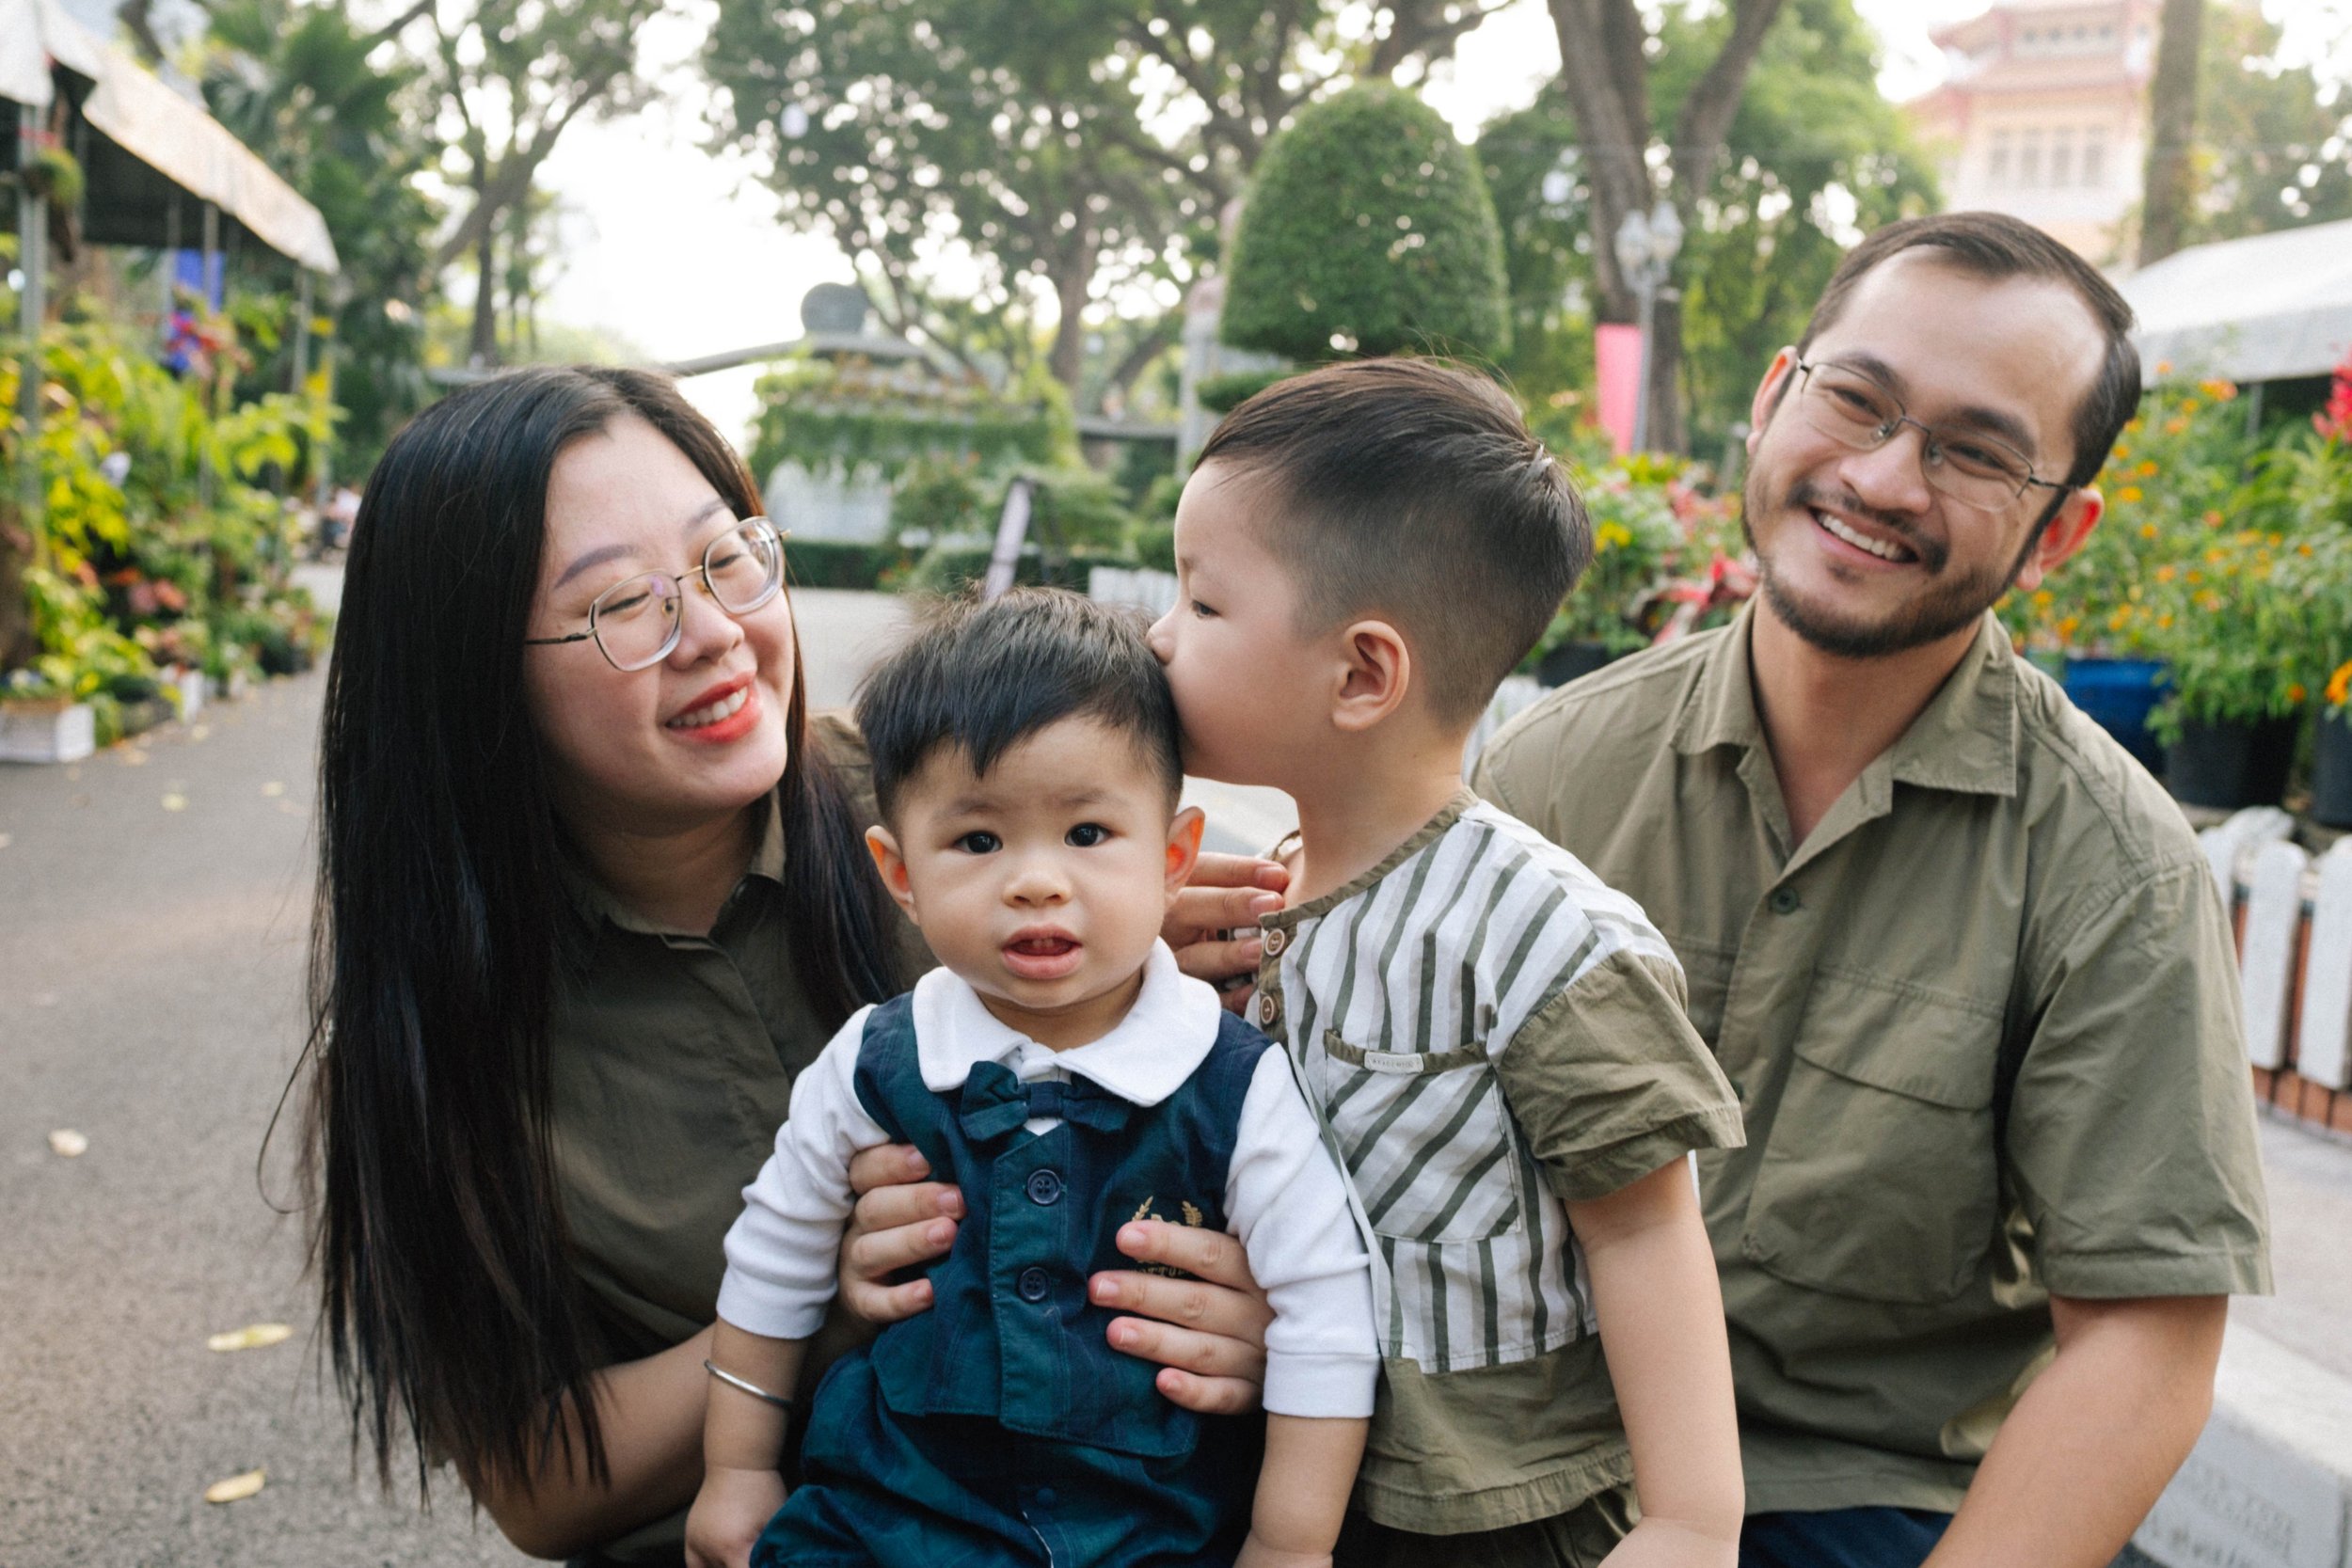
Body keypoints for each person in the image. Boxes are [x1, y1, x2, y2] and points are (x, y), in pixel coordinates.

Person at [304, 367, 1285, 1566]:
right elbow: (541, 1484)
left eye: (726, 561)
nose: (715, 634)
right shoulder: (445, 1026)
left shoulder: (974, 800)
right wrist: (826, 1288)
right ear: (470, 678)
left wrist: (1253, 1317)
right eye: (623, 606)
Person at [1470, 213, 2271, 1568]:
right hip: (1515, 1464)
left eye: (1975, 450)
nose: (1887, 476)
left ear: (2061, 529)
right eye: (1857, 398)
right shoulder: (1552, 766)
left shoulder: (2114, 871)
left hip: (1855, 1502)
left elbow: (2144, 1340)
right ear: (1775, 397)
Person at [1147, 357, 1749, 1568]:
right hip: (1291, 1471)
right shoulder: (1261, 889)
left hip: (1491, 1514)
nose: (1158, 636)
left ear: (1362, 672)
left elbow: (1642, 1232)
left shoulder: (1544, 941)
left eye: (1202, 605)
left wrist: (1688, 1521)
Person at [685, 590, 1376, 1568]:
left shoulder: (1235, 1085)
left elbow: (1325, 1309)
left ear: (1175, 853)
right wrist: (738, 1469)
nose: (1036, 880)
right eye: (978, 840)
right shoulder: (878, 1060)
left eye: (1088, 832)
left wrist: (1287, 1542)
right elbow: (774, 1253)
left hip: (1151, 1527)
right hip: (888, 1512)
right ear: (901, 874)